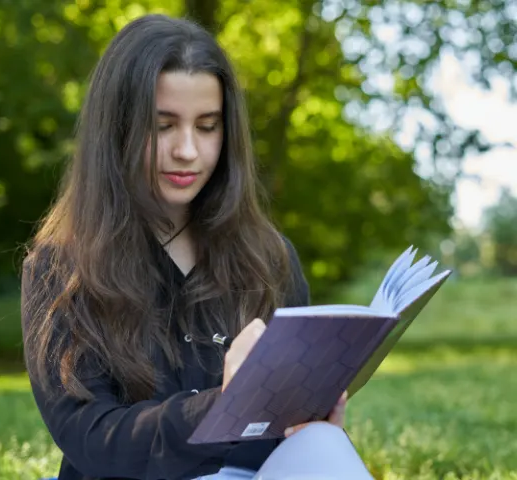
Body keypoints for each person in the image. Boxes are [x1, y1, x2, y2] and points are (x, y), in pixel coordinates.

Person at [21, 14, 355, 480]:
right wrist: (223, 407)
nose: (187, 151)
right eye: (163, 126)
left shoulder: (270, 259)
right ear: (116, 129)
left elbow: (272, 441)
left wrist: (308, 423)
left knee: (323, 442)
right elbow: (92, 439)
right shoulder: (60, 267)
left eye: (207, 126)